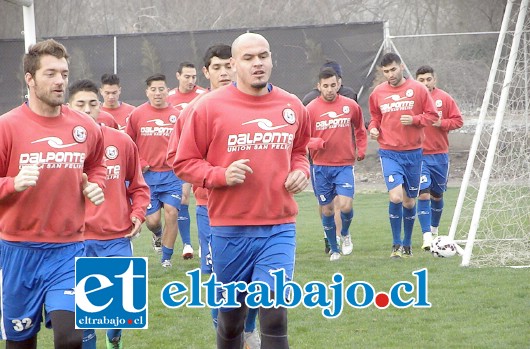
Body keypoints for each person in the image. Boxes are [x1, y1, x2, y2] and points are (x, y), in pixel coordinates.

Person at [173, 33, 310, 349]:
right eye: (248, 58)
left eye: (263, 56)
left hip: (279, 227)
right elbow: (184, 162)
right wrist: (219, 175)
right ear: (234, 65)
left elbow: (300, 150)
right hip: (228, 230)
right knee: (232, 318)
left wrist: (301, 171)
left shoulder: (291, 106)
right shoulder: (208, 107)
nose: (258, 63)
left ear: (272, 59)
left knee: (274, 312)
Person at [0, 39, 106, 349]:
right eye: (50, 74)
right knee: (21, 342)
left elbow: (96, 165)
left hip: (68, 250)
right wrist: (12, 184)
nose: (60, 80)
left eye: (64, 73)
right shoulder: (7, 127)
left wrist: (93, 184)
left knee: (70, 337)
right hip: (17, 252)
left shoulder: (85, 127)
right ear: (30, 79)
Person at [167, 44, 261, 349]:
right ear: (205, 73)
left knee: (256, 281)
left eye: (227, 66)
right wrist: (215, 176)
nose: (223, 72)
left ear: (236, 67)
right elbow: (176, 158)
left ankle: (247, 331)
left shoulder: (257, 104)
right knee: (220, 282)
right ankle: (233, 337)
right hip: (212, 209)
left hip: (257, 209)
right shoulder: (195, 110)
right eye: (216, 68)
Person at [68, 79, 150, 349]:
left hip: (115, 239)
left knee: (118, 317)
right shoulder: (61, 146)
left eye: (93, 103)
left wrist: (137, 214)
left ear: (100, 105)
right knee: (84, 320)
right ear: (69, 106)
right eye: (80, 104)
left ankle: (114, 337)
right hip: (75, 242)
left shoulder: (121, 141)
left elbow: (138, 187)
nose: (87, 109)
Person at [368, 52, 438, 259]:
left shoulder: (418, 89)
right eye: (386, 71)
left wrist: (415, 119)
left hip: (414, 153)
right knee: (395, 196)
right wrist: (373, 129)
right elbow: (375, 118)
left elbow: (432, 115)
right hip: (389, 152)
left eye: (393, 69)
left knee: (409, 202)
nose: (390, 74)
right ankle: (395, 244)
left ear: (401, 67)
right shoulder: (378, 93)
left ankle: (407, 245)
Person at [126, 74, 192, 267]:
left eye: (161, 89)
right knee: (153, 221)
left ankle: (166, 259)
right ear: (147, 92)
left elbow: (185, 142)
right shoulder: (137, 115)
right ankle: (157, 235)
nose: (157, 93)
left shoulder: (177, 115)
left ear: (167, 91)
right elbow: (128, 144)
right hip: (147, 176)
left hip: (171, 175)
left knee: (172, 211)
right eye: (153, 89)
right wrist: (141, 161)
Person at [306, 67, 367, 261]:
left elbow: (359, 128)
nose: (330, 89)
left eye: (333, 85)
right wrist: (315, 143)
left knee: (346, 206)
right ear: (319, 87)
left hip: (344, 165)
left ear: (339, 84)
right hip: (320, 166)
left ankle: (345, 234)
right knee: (327, 209)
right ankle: (334, 249)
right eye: (326, 86)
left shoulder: (350, 105)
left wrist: (362, 148)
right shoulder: (310, 109)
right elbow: (301, 137)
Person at [414, 65, 463, 250]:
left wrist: (441, 123)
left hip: (440, 155)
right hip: (419, 156)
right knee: (424, 193)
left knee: (437, 194)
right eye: (421, 80)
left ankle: (434, 231)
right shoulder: (413, 100)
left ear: (435, 80)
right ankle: (427, 236)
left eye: (428, 79)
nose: (425, 83)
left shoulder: (444, 98)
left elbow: (458, 120)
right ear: (416, 81)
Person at [167, 62, 208, 256]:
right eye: (187, 77)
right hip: (183, 156)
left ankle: (204, 244)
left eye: (194, 77)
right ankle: (187, 245)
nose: (191, 81)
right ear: (178, 76)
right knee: (183, 200)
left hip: (203, 156)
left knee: (204, 199)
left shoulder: (204, 95)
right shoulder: (169, 98)